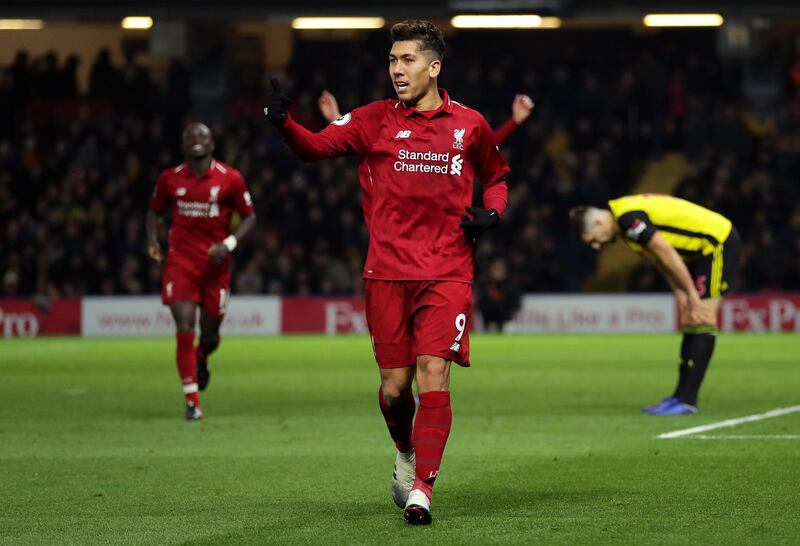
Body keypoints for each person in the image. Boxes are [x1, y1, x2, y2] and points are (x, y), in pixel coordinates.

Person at [264, 20, 510, 525]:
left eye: (407, 61)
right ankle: (405, 449)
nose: (396, 70)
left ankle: (423, 489)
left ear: (433, 67)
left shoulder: (470, 124)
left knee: (433, 374)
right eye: (392, 61)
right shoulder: (373, 119)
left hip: (447, 269)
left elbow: (497, 176)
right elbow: (315, 148)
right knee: (396, 390)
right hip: (386, 273)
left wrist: (492, 212)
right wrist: (284, 124)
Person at [569, 194, 741, 415]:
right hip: (700, 252)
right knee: (691, 319)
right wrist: (679, 291)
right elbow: (658, 257)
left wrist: (690, 293)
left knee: (703, 316)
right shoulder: (624, 222)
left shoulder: (627, 219)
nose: (596, 246)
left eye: (593, 239)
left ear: (598, 222)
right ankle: (680, 396)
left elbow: (665, 251)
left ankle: (687, 400)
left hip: (717, 242)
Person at [146, 123, 256, 421]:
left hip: (216, 268)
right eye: (191, 136)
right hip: (180, 263)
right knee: (185, 326)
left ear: (212, 144)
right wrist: (153, 241)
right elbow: (155, 212)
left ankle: (202, 356)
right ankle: (192, 401)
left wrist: (229, 243)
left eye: (202, 136)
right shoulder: (170, 179)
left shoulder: (230, 178)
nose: (197, 140)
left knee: (209, 335)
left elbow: (249, 217)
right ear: (183, 145)